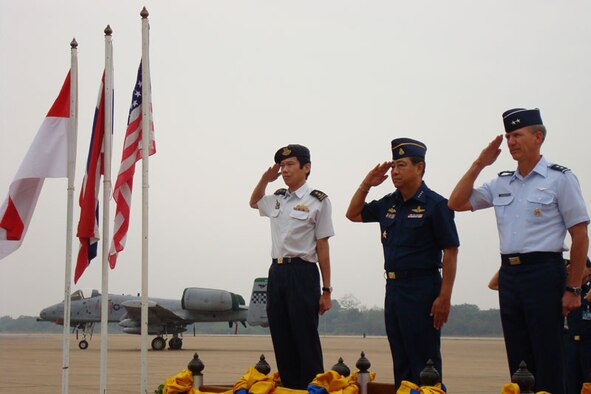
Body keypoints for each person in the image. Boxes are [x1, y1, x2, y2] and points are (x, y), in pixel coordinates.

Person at [448, 108, 590, 394]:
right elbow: (456, 202)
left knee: (548, 356)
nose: (511, 141)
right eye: (509, 136)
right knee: (519, 360)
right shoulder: (501, 182)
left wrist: (573, 288)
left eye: (518, 135)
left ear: (538, 137)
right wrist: (480, 163)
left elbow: (580, 235)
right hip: (510, 275)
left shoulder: (560, 179)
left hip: (544, 272)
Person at [345, 138, 459, 389]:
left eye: (402, 165)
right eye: (393, 166)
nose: (395, 172)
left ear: (419, 168)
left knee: (425, 361)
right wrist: (367, 184)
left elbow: (451, 251)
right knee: (401, 358)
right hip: (394, 288)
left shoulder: (436, 204)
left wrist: (445, 296)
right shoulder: (389, 203)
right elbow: (352, 214)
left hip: (423, 288)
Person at [249, 144, 334, 389]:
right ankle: (289, 386)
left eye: (290, 165)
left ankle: (312, 388)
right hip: (277, 272)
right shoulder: (277, 199)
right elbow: (254, 202)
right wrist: (265, 179)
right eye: (282, 165)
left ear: (306, 168)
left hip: (302, 272)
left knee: (304, 336)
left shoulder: (318, 201)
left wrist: (327, 290)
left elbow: (323, 246)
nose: (284, 170)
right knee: (281, 335)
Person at [565, 257, 591, 394]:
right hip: (571, 343)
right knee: (571, 384)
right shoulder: (567, 290)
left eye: (580, 267)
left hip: (589, 343)